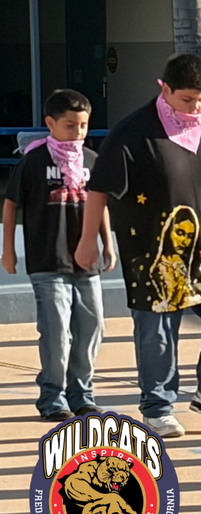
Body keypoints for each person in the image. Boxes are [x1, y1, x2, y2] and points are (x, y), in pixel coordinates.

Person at [75, 54, 201, 439]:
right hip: (152, 252)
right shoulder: (133, 132)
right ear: (165, 89)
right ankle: (158, 405)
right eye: (187, 100)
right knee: (158, 329)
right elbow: (99, 190)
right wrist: (90, 240)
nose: (195, 108)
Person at [2, 89, 115, 421]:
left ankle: (81, 392)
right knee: (56, 331)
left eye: (83, 126)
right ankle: (53, 397)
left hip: (85, 263)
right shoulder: (34, 161)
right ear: (50, 123)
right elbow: (11, 205)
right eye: (69, 125)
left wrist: (107, 244)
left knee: (92, 326)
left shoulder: (92, 161)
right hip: (47, 261)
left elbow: (100, 204)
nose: (77, 132)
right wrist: (8, 250)